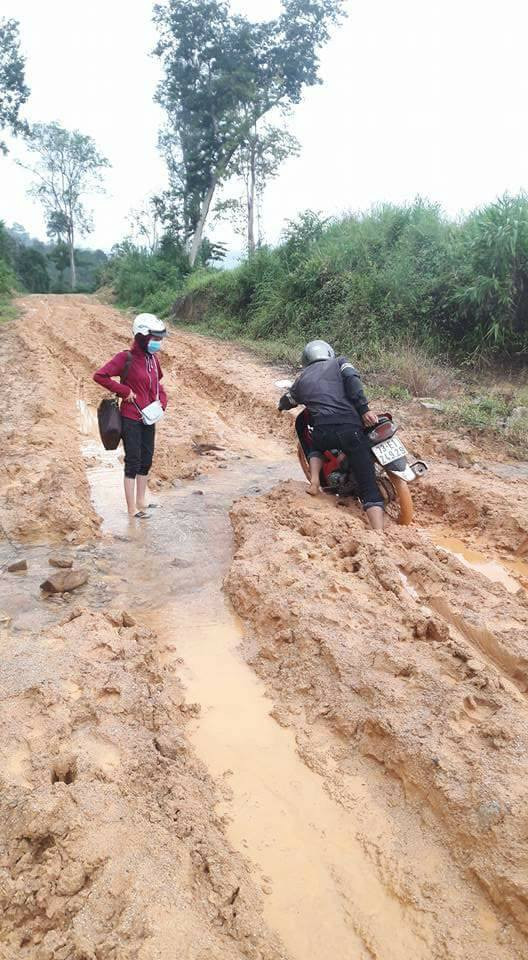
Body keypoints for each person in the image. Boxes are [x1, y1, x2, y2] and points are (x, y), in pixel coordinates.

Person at [279, 339, 385, 533]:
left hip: (323, 432)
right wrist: (363, 408)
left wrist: (281, 405)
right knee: (368, 484)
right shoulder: (340, 362)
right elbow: (352, 380)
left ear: (306, 359)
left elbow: (288, 400)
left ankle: (315, 482)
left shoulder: (302, 379)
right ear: (329, 352)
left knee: (315, 447)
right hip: (350, 428)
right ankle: (379, 533)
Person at [93, 313, 168, 518]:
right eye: (155, 339)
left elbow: (157, 384)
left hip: (149, 417)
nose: (158, 343)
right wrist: (124, 391)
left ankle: (141, 501)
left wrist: (162, 399)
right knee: (133, 461)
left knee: (147, 459)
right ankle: (131, 509)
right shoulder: (125, 358)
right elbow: (99, 376)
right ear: (142, 337)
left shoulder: (153, 359)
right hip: (131, 416)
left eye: (159, 339)